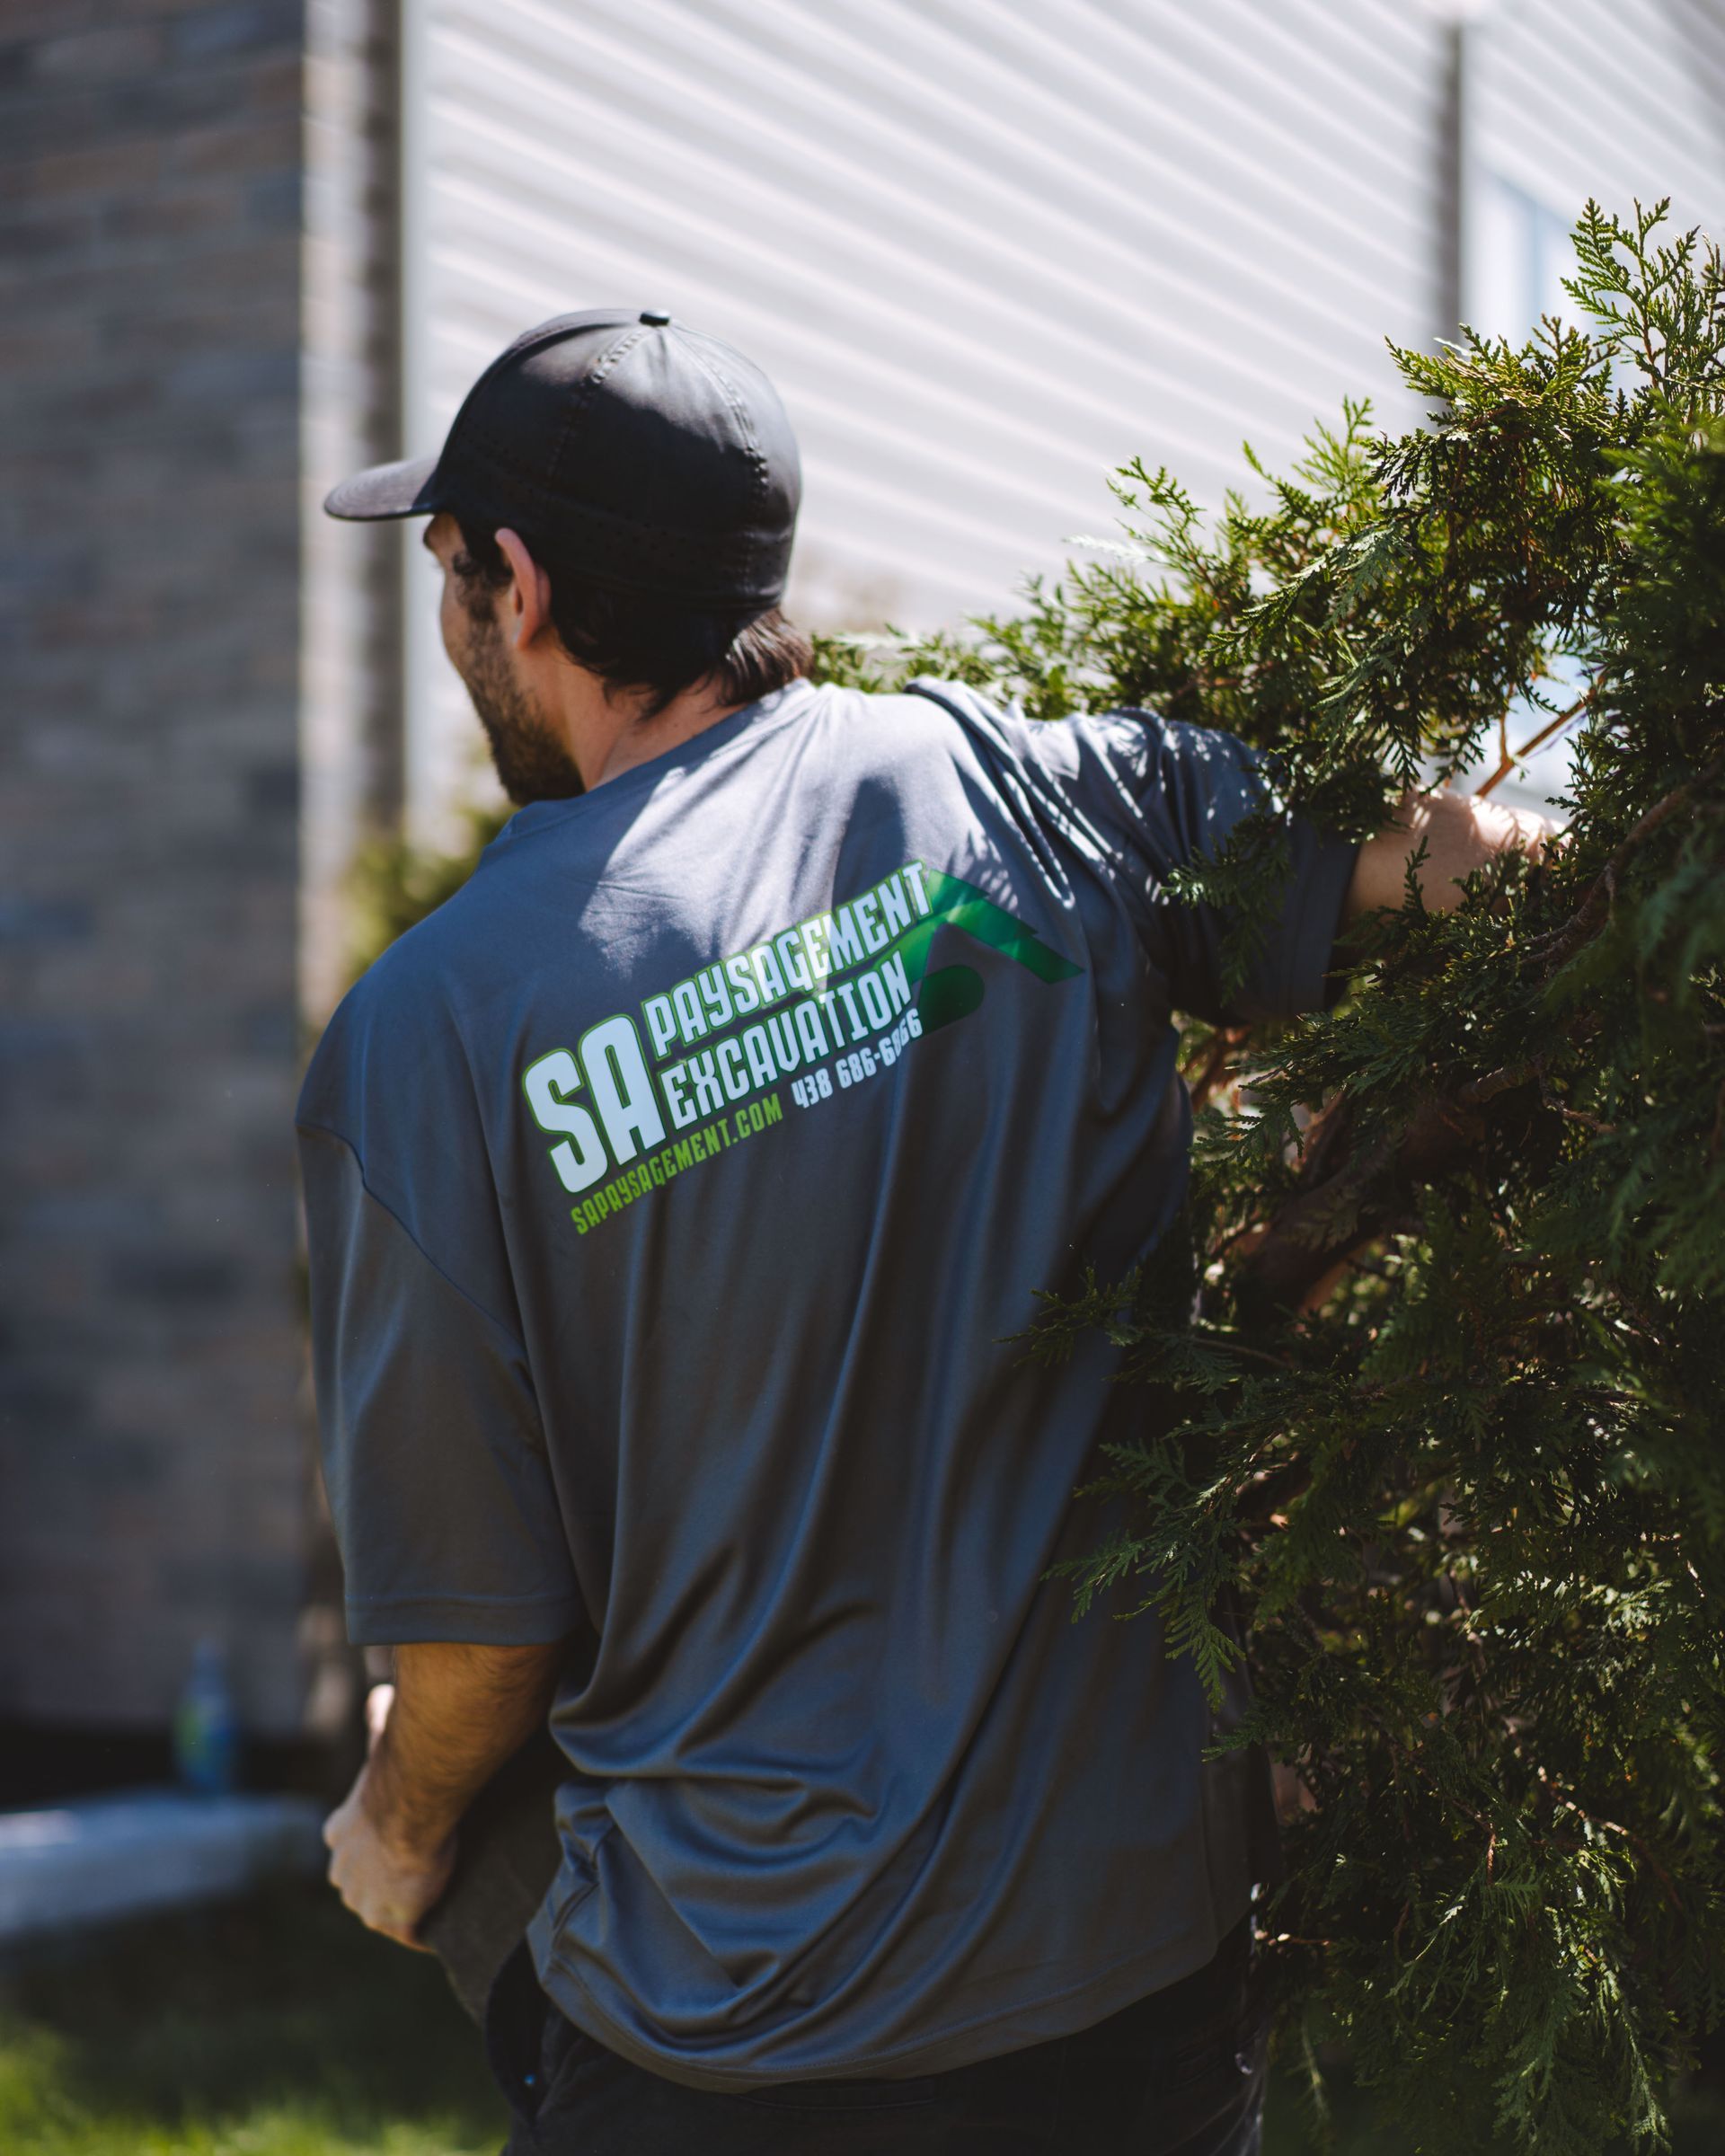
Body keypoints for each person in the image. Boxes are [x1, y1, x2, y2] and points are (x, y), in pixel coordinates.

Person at [302, 309, 1548, 2154]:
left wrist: (395, 1836)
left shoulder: (435, 1030)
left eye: (445, 571)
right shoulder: (1051, 796)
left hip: (734, 2035)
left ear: (521, 588)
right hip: (1130, 1981)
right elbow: (1440, 882)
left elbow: (481, 1654)